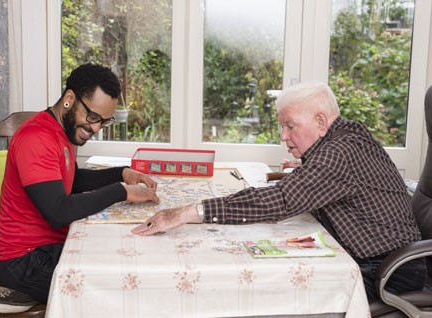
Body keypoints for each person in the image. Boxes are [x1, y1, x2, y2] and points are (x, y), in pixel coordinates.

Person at [133, 80, 427, 302]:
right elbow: (316, 185)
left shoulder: (340, 152)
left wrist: (188, 212)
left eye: (290, 126)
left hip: (388, 270)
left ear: (321, 122)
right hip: (373, 255)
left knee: (269, 288)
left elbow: (284, 200)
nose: (283, 136)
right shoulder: (345, 135)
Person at [0, 63, 160, 303]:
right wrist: (121, 191)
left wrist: (121, 174)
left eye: (104, 122)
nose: (95, 128)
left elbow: (71, 179)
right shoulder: (37, 138)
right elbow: (58, 211)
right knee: (116, 288)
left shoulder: (61, 130)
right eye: (93, 117)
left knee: (125, 259)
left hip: (49, 248)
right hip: (23, 261)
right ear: (69, 99)